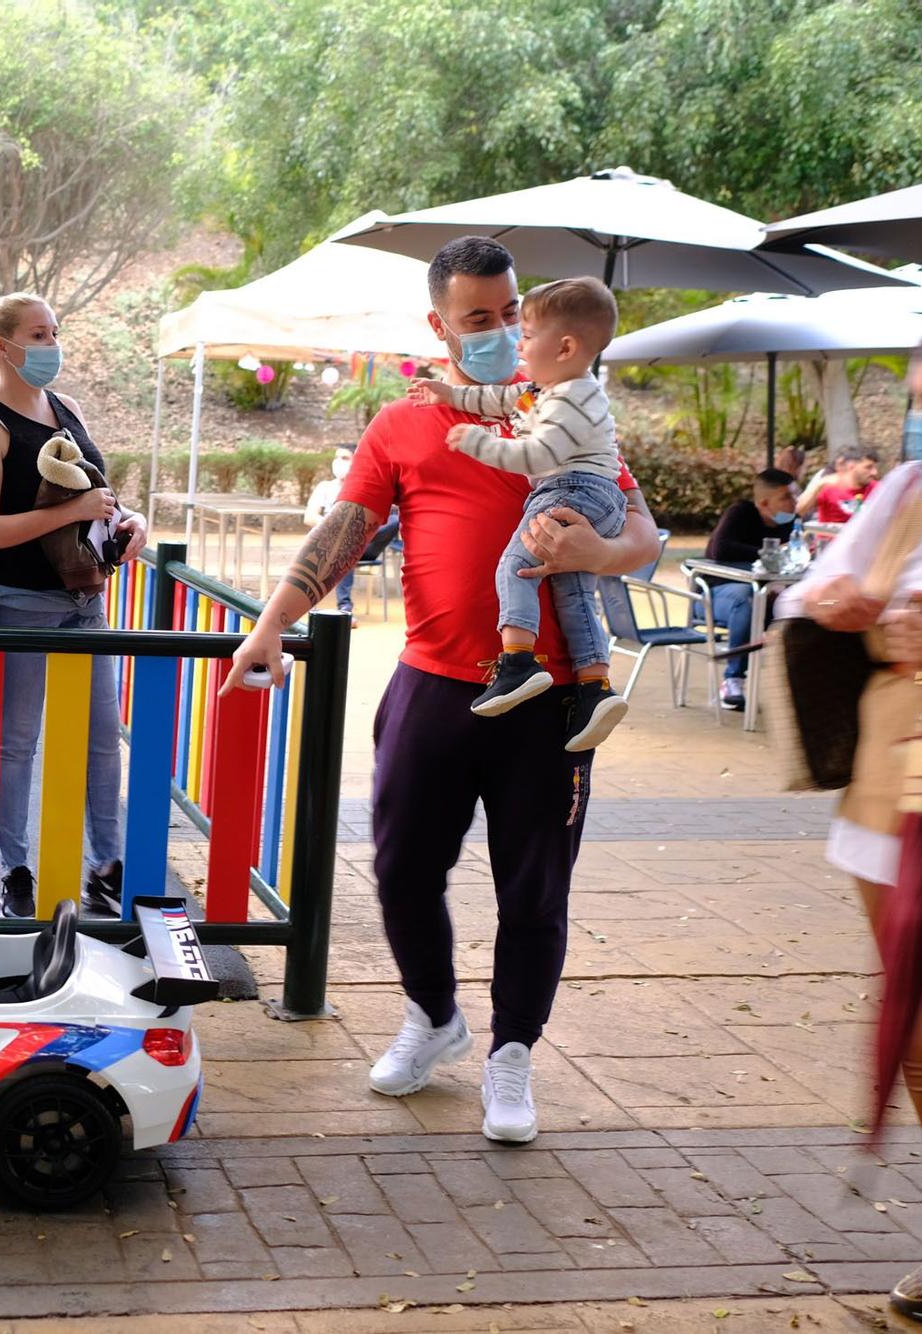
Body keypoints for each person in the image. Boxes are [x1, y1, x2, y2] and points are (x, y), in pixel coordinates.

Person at [227, 236, 660, 1145]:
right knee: (399, 868)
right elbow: (345, 532)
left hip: (546, 697)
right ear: (440, 326)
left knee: (534, 889)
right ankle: (434, 1018)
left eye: (512, 314)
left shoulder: (572, 411)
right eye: (481, 319)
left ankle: (512, 1054)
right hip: (432, 683)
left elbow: (646, 538)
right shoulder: (405, 423)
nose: (504, 330)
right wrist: (270, 626)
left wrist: (600, 553)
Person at [777, 306, 922, 1323]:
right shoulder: (912, 491)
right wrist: (840, 604)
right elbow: (811, 589)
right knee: (917, 1031)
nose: (921, 429)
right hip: (895, 793)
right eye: (915, 405)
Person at [0, 291, 149, 919]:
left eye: (54, 332)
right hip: (15, 604)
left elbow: (99, 495)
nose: (51, 346)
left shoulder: (67, 408)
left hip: (82, 600)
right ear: (2, 347)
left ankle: (107, 864)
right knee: (16, 744)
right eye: (38, 335)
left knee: (102, 740)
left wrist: (127, 522)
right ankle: (15, 870)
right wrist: (71, 511)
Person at [406, 275, 628, 751]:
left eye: (526, 334)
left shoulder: (572, 399)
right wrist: (447, 396)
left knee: (516, 565)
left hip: (574, 490)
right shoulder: (548, 388)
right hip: (588, 494)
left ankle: (519, 662)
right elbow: (498, 399)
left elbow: (537, 456)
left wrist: (480, 443)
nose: (516, 342)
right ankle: (596, 687)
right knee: (571, 587)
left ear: (565, 347)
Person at [701, 468, 798, 711]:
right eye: (786, 497)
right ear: (765, 503)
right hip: (716, 595)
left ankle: (797, 684)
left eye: (795, 496)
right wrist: (772, 553)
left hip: (763, 596)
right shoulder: (741, 513)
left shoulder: (791, 526)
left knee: (803, 604)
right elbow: (721, 550)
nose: (794, 503)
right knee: (747, 598)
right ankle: (732, 680)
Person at [303, 447, 400, 618]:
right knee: (346, 547)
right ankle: (345, 606)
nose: (339, 461)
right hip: (332, 544)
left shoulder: (371, 488)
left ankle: (354, 536)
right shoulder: (325, 487)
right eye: (338, 457)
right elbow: (309, 517)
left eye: (345, 458)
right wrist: (339, 529)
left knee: (395, 519)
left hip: (368, 543)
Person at [799, 449, 880, 523]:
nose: (874, 473)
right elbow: (798, 512)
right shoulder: (829, 487)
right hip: (833, 537)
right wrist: (819, 485)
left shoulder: (877, 488)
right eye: (868, 467)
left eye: (875, 468)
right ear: (851, 466)